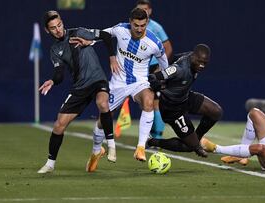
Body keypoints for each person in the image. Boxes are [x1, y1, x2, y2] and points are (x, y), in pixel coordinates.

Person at [72, 8, 169, 162]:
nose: (139, 29)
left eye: (142, 25)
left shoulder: (154, 43)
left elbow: (165, 64)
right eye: (136, 25)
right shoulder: (121, 29)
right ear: (130, 22)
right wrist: (89, 41)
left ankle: (141, 148)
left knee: (149, 101)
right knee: (104, 119)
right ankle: (96, 150)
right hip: (117, 82)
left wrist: (161, 78)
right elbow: (103, 34)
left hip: (139, 82)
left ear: (146, 23)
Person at [37, 11, 115, 173]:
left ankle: (111, 145)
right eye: (53, 28)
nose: (58, 30)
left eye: (59, 25)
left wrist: (107, 54)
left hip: (97, 79)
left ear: (62, 23)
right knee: (59, 125)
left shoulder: (78, 32)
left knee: (102, 103)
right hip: (80, 87)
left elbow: (106, 36)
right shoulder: (55, 50)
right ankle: (50, 164)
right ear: (47, 31)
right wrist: (52, 80)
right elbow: (59, 74)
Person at [146, 44, 222, 157]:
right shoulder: (179, 69)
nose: (201, 65)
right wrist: (158, 86)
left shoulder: (190, 57)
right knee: (189, 147)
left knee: (216, 111)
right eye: (199, 61)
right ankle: (151, 141)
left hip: (185, 98)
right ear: (193, 57)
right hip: (172, 108)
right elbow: (152, 77)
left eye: (205, 63)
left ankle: (197, 140)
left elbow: (171, 59)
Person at [136, 0, 173, 139]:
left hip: (152, 68)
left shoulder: (156, 27)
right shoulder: (134, 27)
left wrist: (159, 67)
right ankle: (151, 135)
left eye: (145, 9)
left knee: (155, 102)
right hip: (139, 69)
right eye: (140, 9)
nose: (143, 11)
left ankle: (157, 138)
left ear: (150, 11)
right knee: (145, 102)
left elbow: (168, 47)